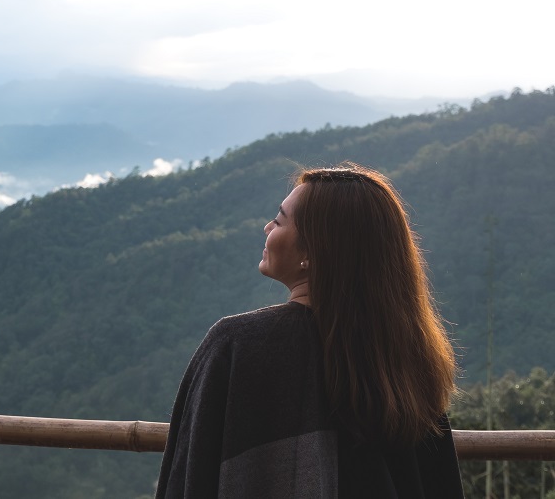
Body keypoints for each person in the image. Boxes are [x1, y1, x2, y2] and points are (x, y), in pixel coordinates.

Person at [155, 163, 463, 498]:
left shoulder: (237, 346)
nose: (266, 226)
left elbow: (189, 478)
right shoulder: (408, 357)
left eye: (279, 219)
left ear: (313, 250)